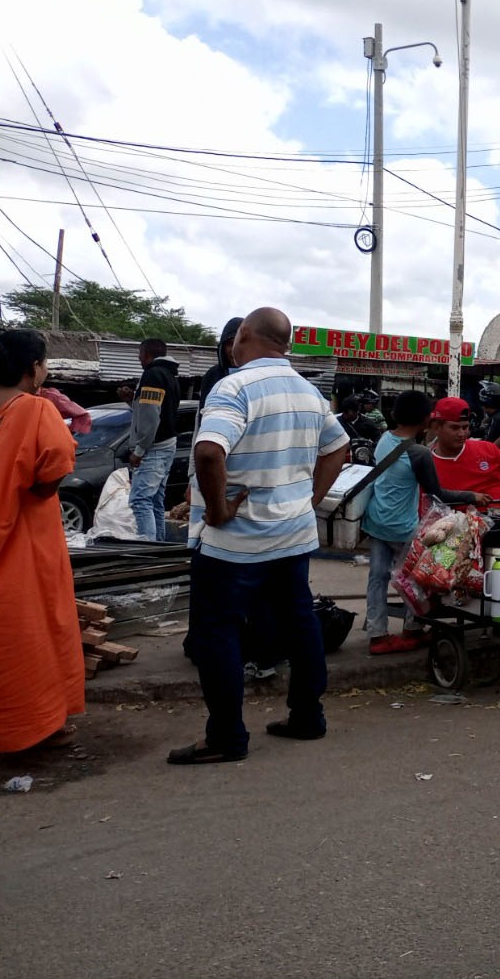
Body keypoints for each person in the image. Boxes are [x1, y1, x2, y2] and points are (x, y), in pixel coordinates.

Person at [171, 307, 349, 765]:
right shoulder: (309, 392)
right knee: (299, 623)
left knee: (218, 633)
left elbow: (209, 453)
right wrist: (309, 500)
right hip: (291, 537)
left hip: (234, 543)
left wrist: (217, 510)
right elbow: (339, 447)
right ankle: (307, 716)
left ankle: (227, 736)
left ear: (244, 335)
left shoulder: (234, 387)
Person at [0, 328, 87, 754]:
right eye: (44, 363)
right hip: (20, 545)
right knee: (26, 635)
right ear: (33, 369)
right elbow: (53, 469)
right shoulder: (34, 410)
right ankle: (28, 728)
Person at [362, 391, 489, 655]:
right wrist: (472, 496)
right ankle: (413, 629)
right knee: (417, 578)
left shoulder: (384, 439)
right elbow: (438, 493)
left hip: (376, 520)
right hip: (402, 527)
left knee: (377, 577)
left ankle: (377, 634)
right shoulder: (419, 453)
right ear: (425, 419)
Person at [125, 337, 181, 541]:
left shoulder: (152, 375)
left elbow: (150, 416)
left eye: (140, 355)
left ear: (147, 355)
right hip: (167, 445)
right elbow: (155, 411)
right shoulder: (169, 375)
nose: (139, 359)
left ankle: (147, 549)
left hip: (154, 448)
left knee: (141, 501)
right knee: (156, 501)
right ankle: (158, 548)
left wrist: (139, 451)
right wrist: (131, 400)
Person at [428, 396, 500, 507]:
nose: (462, 434)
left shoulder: (489, 449)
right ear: (436, 427)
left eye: (465, 427)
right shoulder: (426, 464)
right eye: (455, 428)